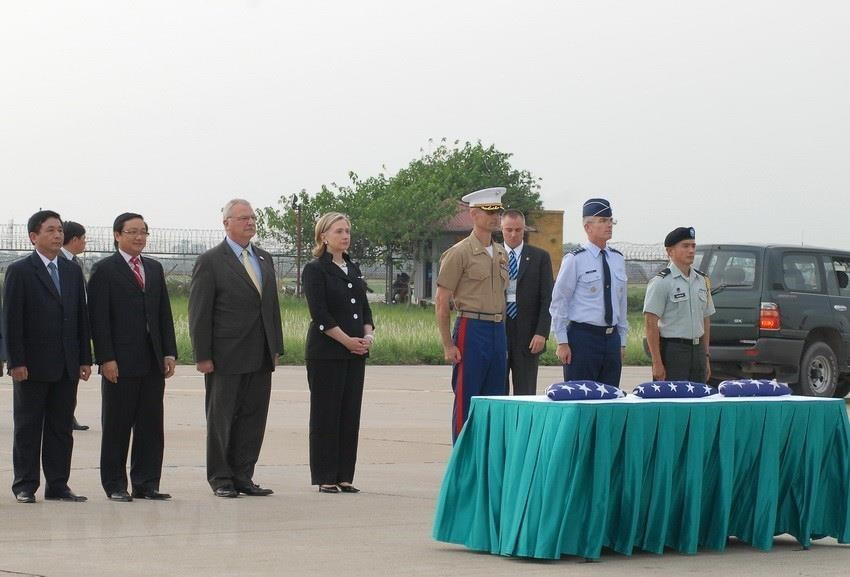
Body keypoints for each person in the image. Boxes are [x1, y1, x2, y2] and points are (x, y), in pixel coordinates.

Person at [188, 199, 283, 498]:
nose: (250, 222)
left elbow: (271, 307)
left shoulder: (265, 259)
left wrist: (275, 347)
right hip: (225, 355)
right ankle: (221, 478)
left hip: (260, 352)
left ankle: (244, 475)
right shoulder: (211, 261)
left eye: (253, 217)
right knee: (222, 418)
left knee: (253, 418)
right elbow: (200, 312)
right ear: (226, 222)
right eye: (243, 218)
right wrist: (202, 355)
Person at [88, 213, 178, 501]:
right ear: (117, 235)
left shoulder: (153, 267)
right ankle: (115, 484)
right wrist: (106, 358)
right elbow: (98, 319)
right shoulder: (104, 270)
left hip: (152, 360)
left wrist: (169, 352)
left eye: (143, 232)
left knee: (151, 425)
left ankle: (146, 483)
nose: (139, 237)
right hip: (120, 362)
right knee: (117, 425)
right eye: (132, 232)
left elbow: (163, 313)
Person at [3, 210, 92, 503]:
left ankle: (58, 485)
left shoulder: (71, 270)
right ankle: (25, 485)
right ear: (34, 236)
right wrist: (16, 361)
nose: (57, 235)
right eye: (51, 230)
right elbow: (11, 321)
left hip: (66, 364)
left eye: (60, 230)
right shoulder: (20, 271)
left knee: (60, 429)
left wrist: (83, 358)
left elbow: (81, 317)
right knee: (28, 428)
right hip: (32, 366)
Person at [302, 212, 374, 494]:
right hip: (327, 352)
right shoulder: (315, 269)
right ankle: (325, 476)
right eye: (339, 231)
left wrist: (367, 336)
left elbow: (364, 308)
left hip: (355, 352)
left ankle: (345, 475)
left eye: (347, 231)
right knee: (326, 414)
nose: (345, 236)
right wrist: (346, 341)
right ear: (324, 236)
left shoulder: (352, 268)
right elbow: (320, 313)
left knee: (349, 413)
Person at [435, 187, 509, 442]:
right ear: (473, 214)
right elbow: (442, 301)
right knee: (467, 398)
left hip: (497, 330)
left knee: (496, 399)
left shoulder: (501, 252)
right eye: (489, 212)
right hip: (471, 328)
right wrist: (448, 344)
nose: (495, 217)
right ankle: (462, 460)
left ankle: (488, 462)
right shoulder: (460, 253)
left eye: (498, 211)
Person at [549, 198, 628, 387]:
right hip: (583, 338)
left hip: (611, 339)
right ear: (587, 227)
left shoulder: (617, 259)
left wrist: (622, 340)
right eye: (602, 221)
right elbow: (560, 301)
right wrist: (562, 341)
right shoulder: (575, 260)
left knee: (609, 399)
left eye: (610, 220)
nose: (609, 225)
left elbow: (621, 302)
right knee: (581, 398)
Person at [643, 227, 715, 382]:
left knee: (698, 401)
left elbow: (706, 320)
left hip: (697, 351)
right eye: (685, 246)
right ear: (670, 251)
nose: (691, 251)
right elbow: (650, 324)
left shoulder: (702, 280)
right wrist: (657, 362)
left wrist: (706, 356)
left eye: (693, 246)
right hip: (673, 351)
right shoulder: (661, 282)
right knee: (673, 401)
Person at [500, 209, 554, 395]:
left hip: (529, 335)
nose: (513, 234)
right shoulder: (492, 256)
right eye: (509, 230)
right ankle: (503, 424)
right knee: (499, 389)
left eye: (518, 230)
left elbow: (547, 297)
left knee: (526, 390)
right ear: (501, 229)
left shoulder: (540, 257)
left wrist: (541, 332)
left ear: (524, 230)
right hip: (500, 330)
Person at [61, 220, 90, 431]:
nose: (85, 243)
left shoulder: (75, 263)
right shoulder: (61, 262)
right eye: (83, 239)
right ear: (74, 240)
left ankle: (68, 416)